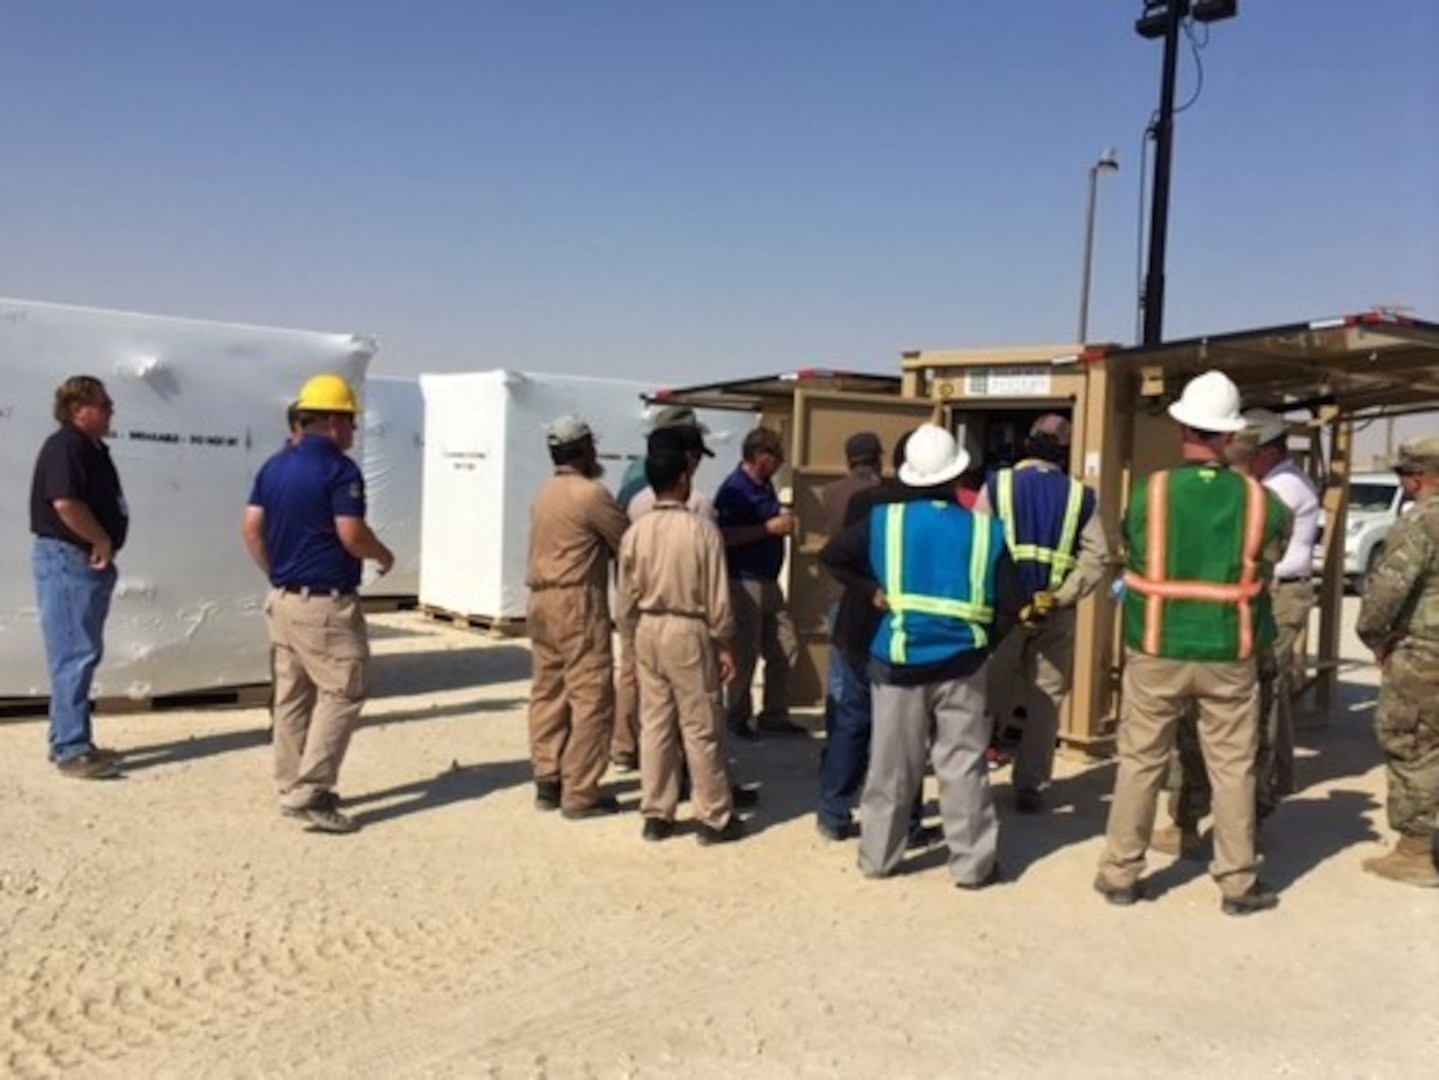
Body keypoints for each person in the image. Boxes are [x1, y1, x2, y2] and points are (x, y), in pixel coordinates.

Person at [1094, 370, 1289, 915]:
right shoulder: (1261, 501)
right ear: (1230, 437)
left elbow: (1130, 546)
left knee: (1139, 762)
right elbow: (1273, 558)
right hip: (1230, 652)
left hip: (1155, 645)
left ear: (1182, 426)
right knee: (1233, 768)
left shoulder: (1149, 493)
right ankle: (1237, 881)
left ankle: (1120, 874)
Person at [822, 424, 1024, 887]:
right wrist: (982, 642)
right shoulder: (986, 531)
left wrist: (871, 590)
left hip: (898, 661)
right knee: (963, 764)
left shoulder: (884, 522)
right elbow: (1012, 603)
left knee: (891, 765)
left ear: (910, 475)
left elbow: (832, 556)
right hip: (963, 663)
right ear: (957, 476)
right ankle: (973, 865)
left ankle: (878, 858)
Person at [1154, 408, 1317, 856]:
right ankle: (1249, 822)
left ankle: (1201, 821)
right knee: (1260, 712)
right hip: (1258, 607)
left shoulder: (1269, 493)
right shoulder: (1268, 494)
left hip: (1247, 609)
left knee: (1221, 721)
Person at [242, 373, 394, 833]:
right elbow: (350, 534)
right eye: (350, 420)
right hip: (325, 604)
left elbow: (251, 527)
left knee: (293, 694)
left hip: (284, 600)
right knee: (344, 690)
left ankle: (290, 784)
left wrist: (278, 574)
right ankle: (312, 792)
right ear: (330, 421)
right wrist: (383, 554)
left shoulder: (274, 466)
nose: (354, 430)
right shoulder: (339, 471)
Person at [978, 414, 1109, 813]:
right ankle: (1029, 784)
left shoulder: (997, 486)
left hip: (1004, 614)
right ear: (1064, 450)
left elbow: (978, 544)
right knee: (1045, 700)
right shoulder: (1080, 496)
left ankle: (973, 779)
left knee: (984, 696)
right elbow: (1097, 556)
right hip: (1054, 612)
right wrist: (1062, 595)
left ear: (1027, 442)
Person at [615, 446, 746, 845]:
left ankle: (657, 812)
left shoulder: (636, 531)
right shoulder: (702, 531)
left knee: (655, 724)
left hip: (647, 628)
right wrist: (725, 643)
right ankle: (714, 816)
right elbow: (718, 596)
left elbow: (624, 595)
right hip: (689, 628)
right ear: (685, 481)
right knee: (700, 724)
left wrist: (630, 637)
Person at [526, 414, 630, 819]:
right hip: (576, 601)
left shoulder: (543, 493)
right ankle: (581, 791)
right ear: (585, 449)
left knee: (548, 691)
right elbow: (628, 542)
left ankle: (547, 778)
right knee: (591, 697)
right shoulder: (592, 494)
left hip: (539, 599)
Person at [30, 375, 129, 779]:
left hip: (79, 560)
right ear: (78, 410)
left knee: (77, 650)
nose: (110, 412)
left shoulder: (89, 448)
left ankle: (67, 738)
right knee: (75, 652)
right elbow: (66, 502)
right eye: (104, 405)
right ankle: (71, 748)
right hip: (69, 558)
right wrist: (101, 538)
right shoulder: (67, 445)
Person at [1354, 435, 1439, 887]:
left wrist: (1374, 638)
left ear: (1419, 477)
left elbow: (1385, 593)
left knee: (1411, 740)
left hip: (1425, 652)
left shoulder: (1420, 522)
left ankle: (1415, 851)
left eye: (1404, 476)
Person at [612, 417, 716, 772]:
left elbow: (625, 579)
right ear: (686, 463)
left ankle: (646, 785)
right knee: (697, 717)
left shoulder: (635, 499)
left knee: (651, 712)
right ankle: (707, 799)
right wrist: (724, 638)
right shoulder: (698, 508)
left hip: (644, 620)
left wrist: (626, 627)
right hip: (688, 621)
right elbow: (713, 581)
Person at [815, 432, 884, 840]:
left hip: (838, 598)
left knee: (843, 694)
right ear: (878, 458)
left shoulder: (831, 492)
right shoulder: (882, 496)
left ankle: (833, 789)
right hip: (874, 601)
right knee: (881, 706)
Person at [714, 427, 801, 739]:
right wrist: (767, 529)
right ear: (759, 457)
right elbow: (723, 536)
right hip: (743, 581)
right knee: (744, 652)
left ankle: (775, 714)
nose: (778, 464)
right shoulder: (733, 490)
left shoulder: (766, 486)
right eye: (774, 457)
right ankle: (737, 716)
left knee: (785, 645)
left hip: (769, 580)